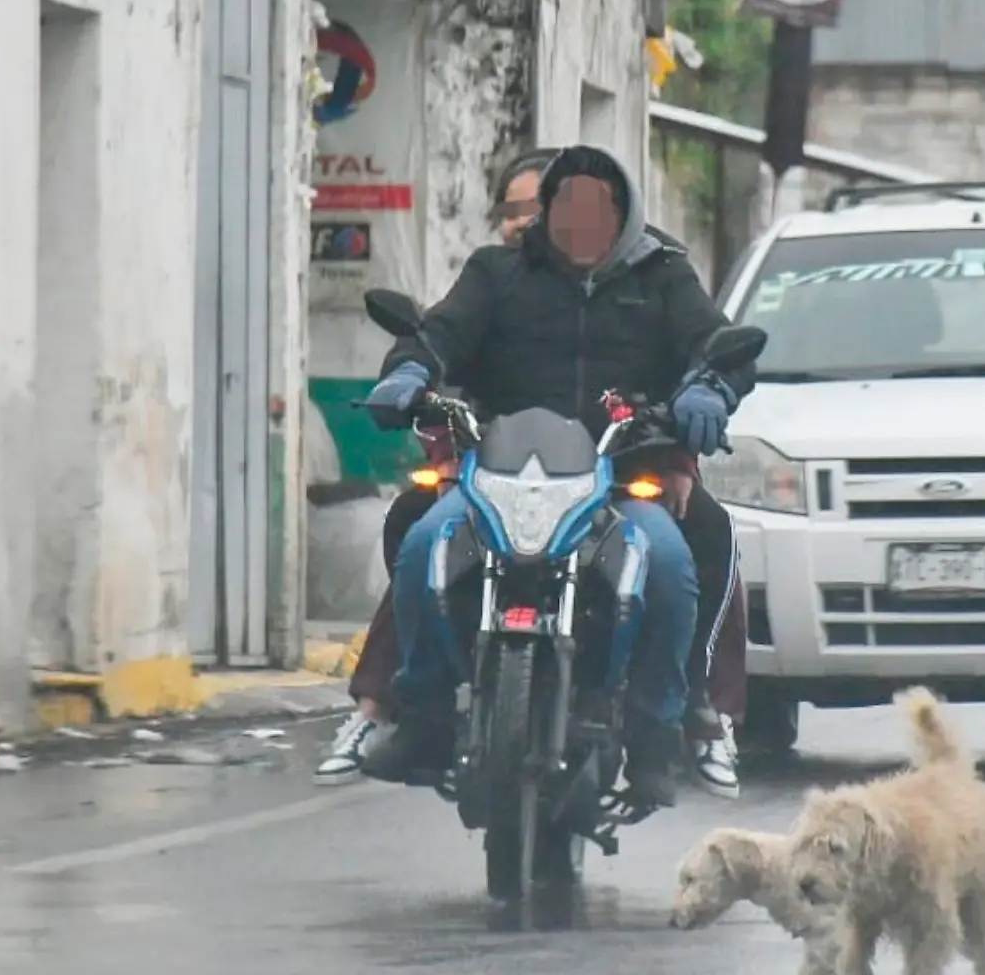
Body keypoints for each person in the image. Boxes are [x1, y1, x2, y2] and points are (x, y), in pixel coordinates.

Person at [314, 150, 747, 799]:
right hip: (500, 476)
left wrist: (710, 387)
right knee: (424, 541)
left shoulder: (663, 276)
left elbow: (715, 343)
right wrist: (409, 371)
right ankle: (424, 712)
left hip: (620, 481)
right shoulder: (498, 273)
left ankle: (663, 727)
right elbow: (439, 334)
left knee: (671, 559)